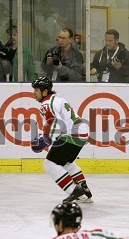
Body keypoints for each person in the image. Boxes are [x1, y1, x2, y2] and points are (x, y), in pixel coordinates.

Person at [30, 76, 93, 204]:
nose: (34, 93)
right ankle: (84, 190)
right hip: (81, 134)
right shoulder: (57, 99)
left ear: (45, 91)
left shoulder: (46, 104)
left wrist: (44, 140)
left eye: (36, 90)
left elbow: (54, 122)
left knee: (49, 164)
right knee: (65, 162)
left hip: (71, 135)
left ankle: (74, 191)